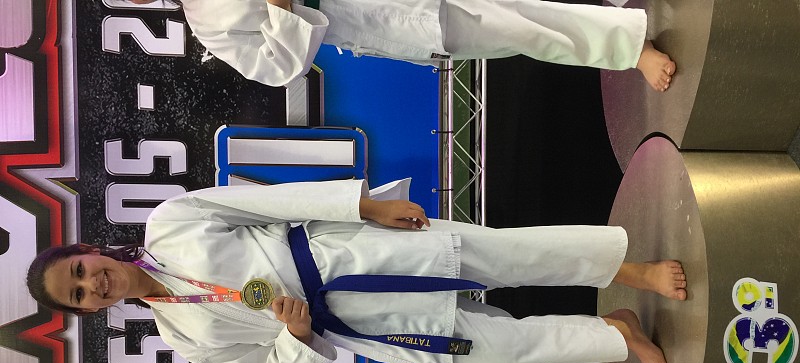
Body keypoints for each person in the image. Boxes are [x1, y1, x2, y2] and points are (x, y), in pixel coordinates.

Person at [27, 178, 687, 363]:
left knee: (509, 258)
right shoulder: (184, 336)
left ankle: (631, 273)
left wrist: (366, 206)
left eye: (80, 270)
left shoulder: (171, 222)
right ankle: (613, 332)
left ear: (90, 250)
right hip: (356, 323)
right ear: (91, 311)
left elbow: (270, 203)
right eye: (79, 295)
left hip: (348, 254)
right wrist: (296, 337)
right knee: (501, 352)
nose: (93, 284)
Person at [126, 0, 675, 92]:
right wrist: (280, 9)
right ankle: (629, 47)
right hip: (386, 18)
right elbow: (277, 69)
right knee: (518, 29)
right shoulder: (209, 23)